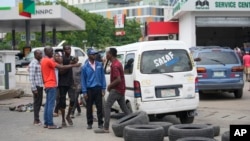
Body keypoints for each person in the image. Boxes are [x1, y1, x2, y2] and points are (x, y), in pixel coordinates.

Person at [41, 46, 80, 129]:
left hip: (50, 84)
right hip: (52, 84)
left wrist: (73, 62)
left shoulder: (44, 60)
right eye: (51, 51)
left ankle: (46, 122)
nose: (53, 53)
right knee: (51, 105)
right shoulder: (49, 60)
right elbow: (61, 68)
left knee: (48, 104)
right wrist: (73, 65)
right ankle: (50, 124)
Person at [95, 48, 131, 133]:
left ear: (110, 54)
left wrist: (110, 86)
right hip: (121, 89)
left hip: (116, 90)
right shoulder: (117, 63)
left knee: (107, 106)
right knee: (124, 108)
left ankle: (106, 128)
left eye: (107, 53)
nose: (106, 55)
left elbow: (118, 79)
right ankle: (134, 122)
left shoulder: (115, 65)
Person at [81, 48, 106, 129]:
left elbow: (103, 77)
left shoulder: (99, 64)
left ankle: (100, 123)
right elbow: (83, 80)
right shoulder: (85, 67)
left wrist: (103, 88)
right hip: (89, 89)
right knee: (89, 107)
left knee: (99, 107)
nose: (94, 55)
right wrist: (84, 92)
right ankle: (89, 123)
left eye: (95, 54)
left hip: (98, 88)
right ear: (89, 55)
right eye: (93, 54)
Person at [58, 45, 76, 127]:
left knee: (73, 99)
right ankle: (62, 119)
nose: (69, 50)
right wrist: (70, 64)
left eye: (69, 48)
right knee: (62, 102)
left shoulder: (72, 58)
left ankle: (68, 115)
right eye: (67, 49)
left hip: (70, 82)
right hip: (62, 83)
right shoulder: (61, 58)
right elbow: (61, 71)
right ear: (64, 50)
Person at [28, 49, 43, 125]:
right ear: (35, 55)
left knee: (39, 103)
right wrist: (34, 89)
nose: (41, 55)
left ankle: (37, 119)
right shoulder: (33, 63)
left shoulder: (38, 63)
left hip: (40, 85)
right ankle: (36, 120)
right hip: (36, 87)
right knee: (37, 103)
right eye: (39, 54)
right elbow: (31, 77)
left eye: (41, 53)